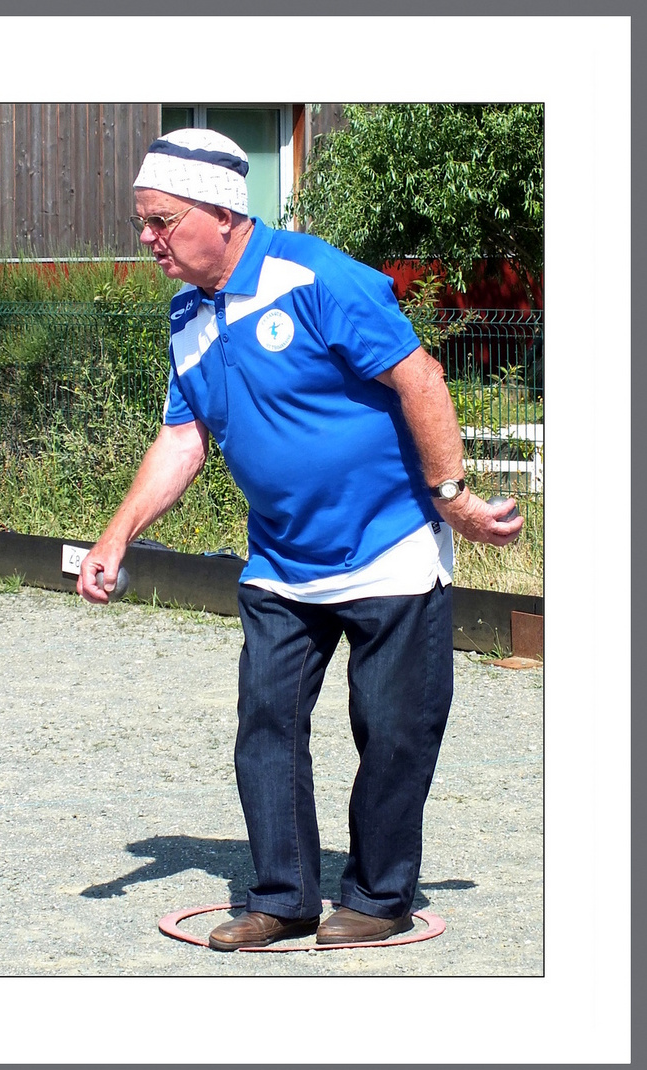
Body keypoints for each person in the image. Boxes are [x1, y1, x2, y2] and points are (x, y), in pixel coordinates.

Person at [77, 129, 523, 951]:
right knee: (266, 725)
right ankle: (282, 898)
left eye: (162, 220)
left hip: (389, 548)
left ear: (222, 213)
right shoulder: (187, 316)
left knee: (392, 730)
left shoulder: (317, 277)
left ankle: (380, 897)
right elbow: (184, 439)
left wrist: (452, 495)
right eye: (143, 221)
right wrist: (118, 533)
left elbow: (418, 375)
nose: (148, 238)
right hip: (282, 562)